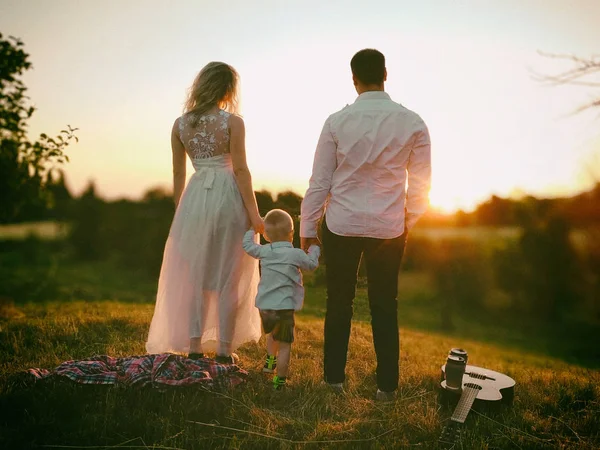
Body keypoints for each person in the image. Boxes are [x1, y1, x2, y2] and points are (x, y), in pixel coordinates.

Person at [300, 49, 432, 400]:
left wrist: (307, 227)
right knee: (385, 304)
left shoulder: (336, 122)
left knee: (338, 302)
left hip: (341, 224)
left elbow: (320, 181)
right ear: (385, 74)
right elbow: (421, 184)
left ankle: (333, 381)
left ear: (353, 77)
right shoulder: (413, 122)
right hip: (389, 228)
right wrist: (408, 220)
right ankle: (387, 388)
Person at [146, 62, 264, 364]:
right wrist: (255, 215)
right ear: (227, 89)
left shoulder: (180, 124)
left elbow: (177, 173)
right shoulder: (233, 122)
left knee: (195, 274)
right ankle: (224, 350)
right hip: (228, 197)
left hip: (194, 197)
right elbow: (240, 169)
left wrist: (180, 213)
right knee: (231, 274)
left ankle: (195, 347)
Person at [242, 209, 320, 389]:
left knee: (273, 335)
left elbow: (247, 245)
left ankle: (270, 364)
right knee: (285, 345)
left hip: (265, 308)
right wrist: (315, 248)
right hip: (284, 308)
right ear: (291, 234)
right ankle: (280, 382)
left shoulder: (264, 251)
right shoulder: (296, 254)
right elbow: (312, 264)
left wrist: (254, 227)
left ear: (267, 235)